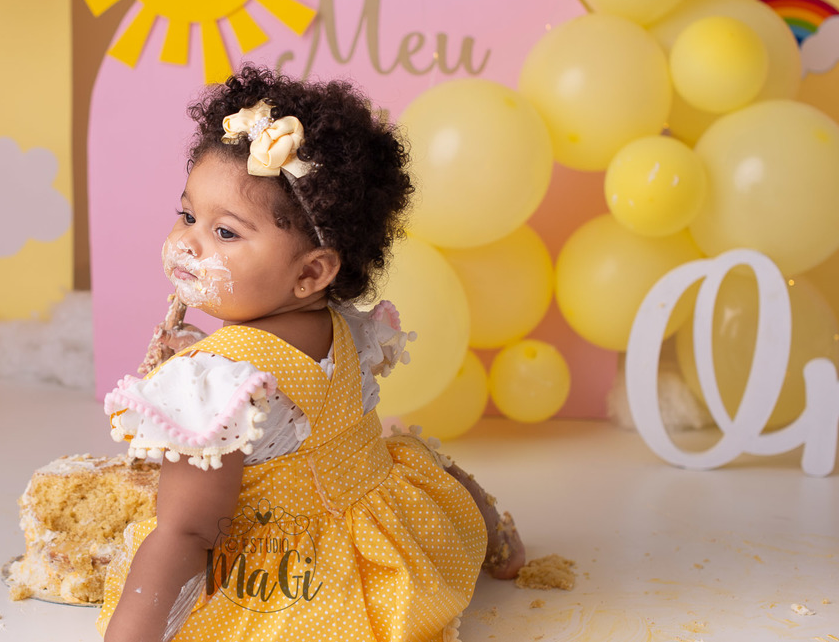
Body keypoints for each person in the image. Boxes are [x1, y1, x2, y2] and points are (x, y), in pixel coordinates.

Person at [98, 65, 524, 642]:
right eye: (188, 216)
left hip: (305, 583)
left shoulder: (214, 387)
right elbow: (292, 394)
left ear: (310, 273)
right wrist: (201, 356)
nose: (187, 243)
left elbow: (188, 533)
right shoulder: (342, 328)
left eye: (226, 233)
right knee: (423, 459)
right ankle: (499, 544)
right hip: (388, 540)